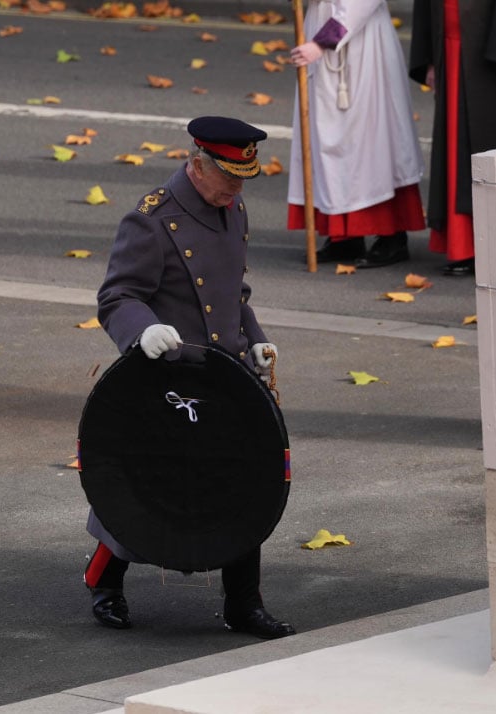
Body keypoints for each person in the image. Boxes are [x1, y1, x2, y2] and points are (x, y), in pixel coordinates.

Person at [83, 116, 296, 640]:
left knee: (244, 482)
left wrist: (256, 339)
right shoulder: (153, 220)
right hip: (167, 380)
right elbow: (116, 297)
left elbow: (233, 295)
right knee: (148, 487)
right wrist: (144, 331)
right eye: (229, 177)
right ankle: (105, 580)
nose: (237, 189)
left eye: (243, 179)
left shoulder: (232, 208)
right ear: (198, 165)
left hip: (224, 378)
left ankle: (243, 604)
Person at [287, 0, 426, 267]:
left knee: (370, 139)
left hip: (362, 42)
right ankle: (344, 237)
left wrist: (323, 41)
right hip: (321, 24)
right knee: (327, 136)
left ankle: (391, 236)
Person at [409, 0, 496, 276]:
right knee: (456, 152)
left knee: (486, 147)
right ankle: (464, 246)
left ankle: (487, 246)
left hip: (485, 50)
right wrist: (430, 57)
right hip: (450, 47)